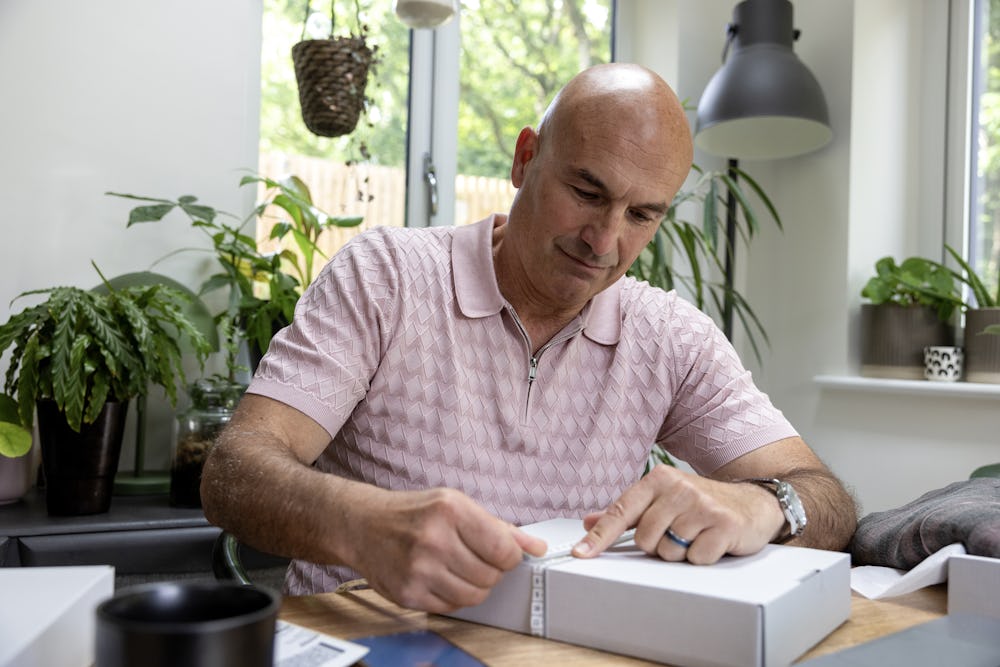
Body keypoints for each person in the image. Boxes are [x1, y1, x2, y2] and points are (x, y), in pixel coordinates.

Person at [201, 62, 857, 613]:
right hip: (367, 645)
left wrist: (763, 504)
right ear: (524, 159)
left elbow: (830, 501)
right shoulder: (385, 278)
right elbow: (234, 474)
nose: (605, 240)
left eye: (642, 214)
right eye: (586, 190)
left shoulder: (671, 338)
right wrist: (359, 523)